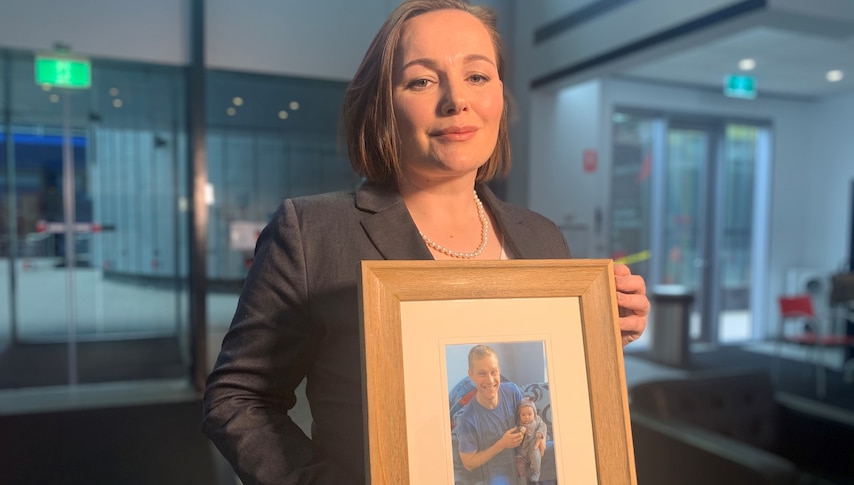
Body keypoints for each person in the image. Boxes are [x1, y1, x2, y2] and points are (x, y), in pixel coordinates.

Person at [202, 1, 650, 484]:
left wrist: (594, 341)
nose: (457, 100)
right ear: (382, 104)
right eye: (421, 80)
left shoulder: (541, 236)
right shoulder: (312, 232)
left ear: (500, 94)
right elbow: (238, 398)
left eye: (477, 76)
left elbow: (558, 405)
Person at [454, 345, 552, 485]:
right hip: (500, 470)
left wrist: (541, 436)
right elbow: (468, 462)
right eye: (482, 373)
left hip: (528, 452)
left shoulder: (511, 390)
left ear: (499, 371)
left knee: (562, 454)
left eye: (494, 372)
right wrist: (500, 445)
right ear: (471, 375)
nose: (490, 380)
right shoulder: (467, 420)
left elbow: (532, 417)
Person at [515, 397, 547, 484]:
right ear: (519, 415)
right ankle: (522, 478)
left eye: (529, 414)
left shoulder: (537, 420)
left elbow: (543, 426)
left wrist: (540, 433)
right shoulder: (519, 423)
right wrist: (520, 430)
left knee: (535, 456)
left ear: (534, 413)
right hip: (522, 450)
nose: (526, 417)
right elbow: (515, 431)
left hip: (533, 446)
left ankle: (536, 474)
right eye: (523, 415)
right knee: (519, 462)